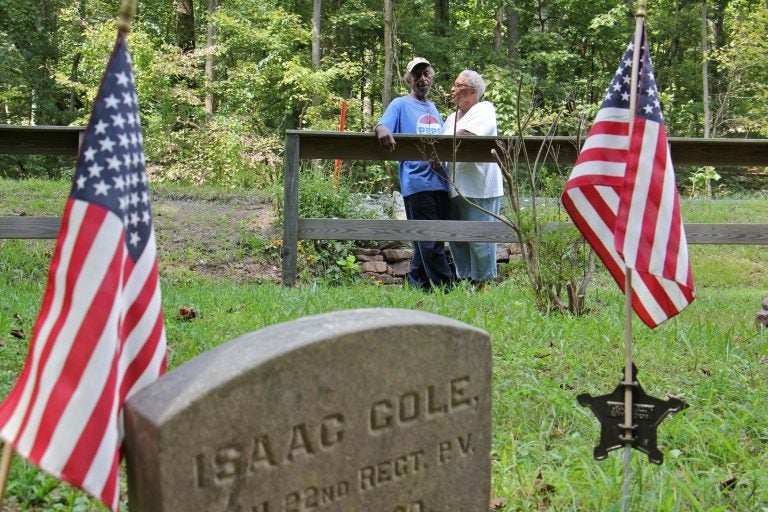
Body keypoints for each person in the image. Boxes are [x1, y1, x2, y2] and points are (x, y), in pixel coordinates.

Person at [373, 57, 455, 290]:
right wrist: (381, 130)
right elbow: (382, 125)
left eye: (426, 74)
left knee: (430, 238)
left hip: (440, 182)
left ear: (432, 77)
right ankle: (445, 288)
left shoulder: (433, 108)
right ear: (408, 79)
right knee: (429, 239)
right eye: (416, 75)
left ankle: (417, 284)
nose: (422, 79)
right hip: (417, 183)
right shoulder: (400, 104)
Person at [442, 70, 503, 286]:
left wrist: (441, 144)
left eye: (459, 86)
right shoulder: (451, 118)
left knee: (479, 239)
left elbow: (467, 136)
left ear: (473, 91)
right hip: (454, 187)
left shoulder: (484, 109)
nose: (453, 89)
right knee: (457, 237)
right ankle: (466, 281)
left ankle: (484, 283)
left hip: (479, 188)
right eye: (454, 85)